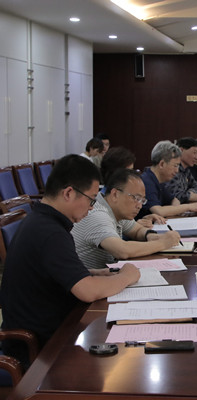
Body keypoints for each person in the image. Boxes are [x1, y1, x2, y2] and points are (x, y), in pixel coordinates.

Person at [0, 155, 140, 367]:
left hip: (55, 329)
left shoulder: (43, 221)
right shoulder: (49, 232)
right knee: (119, 363)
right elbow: (87, 291)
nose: (92, 207)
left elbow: (52, 274)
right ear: (68, 193)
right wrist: (127, 276)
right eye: (91, 199)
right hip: (39, 349)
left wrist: (93, 273)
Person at [72, 169, 181, 269]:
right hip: (88, 280)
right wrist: (163, 243)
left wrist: (151, 236)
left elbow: (137, 230)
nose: (139, 206)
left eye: (142, 200)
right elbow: (122, 250)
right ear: (115, 194)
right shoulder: (98, 215)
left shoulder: (115, 209)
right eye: (136, 198)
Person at [137, 140, 197, 219]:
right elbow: (159, 211)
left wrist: (176, 210)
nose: (177, 170)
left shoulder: (160, 181)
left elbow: (174, 200)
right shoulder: (146, 181)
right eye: (175, 166)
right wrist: (188, 207)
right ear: (162, 164)